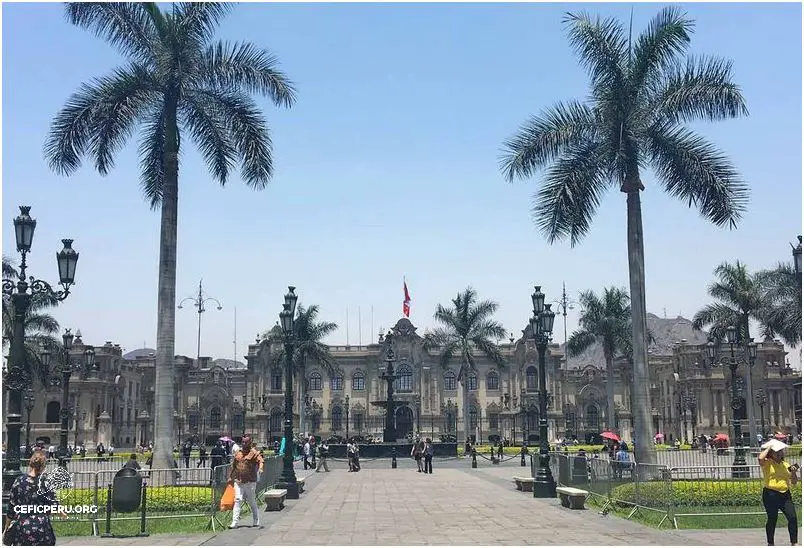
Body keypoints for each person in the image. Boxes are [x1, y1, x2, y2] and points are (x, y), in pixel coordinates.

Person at [6, 450, 64, 545]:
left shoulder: (19, 481)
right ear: (42, 467)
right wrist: (62, 513)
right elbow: (54, 505)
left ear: (30, 464)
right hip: (42, 528)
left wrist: (6, 528)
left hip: (22, 527)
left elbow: (11, 508)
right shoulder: (45, 483)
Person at [759, 439, 799, 546]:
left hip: (785, 494)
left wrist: (794, 473)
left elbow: (794, 482)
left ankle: (794, 542)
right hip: (770, 494)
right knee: (772, 519)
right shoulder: (768, 463)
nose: (778, 454)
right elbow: (760, 458)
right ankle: (770, 543)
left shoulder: (786, 465)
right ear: (771, 453)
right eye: (776, 452)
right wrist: (768, 448)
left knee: (792, 517)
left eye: (780, 452)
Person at [228, 435, 264, 529]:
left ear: (250, 442)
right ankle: (234, 522)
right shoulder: (238, 453)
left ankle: (256, 520)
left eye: (246, 442)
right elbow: (233, 466)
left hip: (250, 482)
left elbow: (260, 461)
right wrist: (230, 476)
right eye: (243, 442)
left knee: (251, 501)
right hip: (239, 481)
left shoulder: (254, 453)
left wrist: (260, 469)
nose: (244, 444)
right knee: (237, 500)